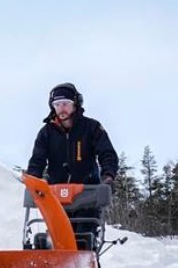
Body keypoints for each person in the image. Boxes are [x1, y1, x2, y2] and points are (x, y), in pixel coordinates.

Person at [26, 82, 118, 247]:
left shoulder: (92, 128)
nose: (61, 109)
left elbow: (107, 154)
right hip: (55, 198)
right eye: (57, 104)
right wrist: (33, 181)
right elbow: (37, 160)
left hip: (88, 195)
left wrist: (108, 177)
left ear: (76, 104)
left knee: (83, 241)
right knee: (52, 242)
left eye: (66, 104)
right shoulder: (46, 133)